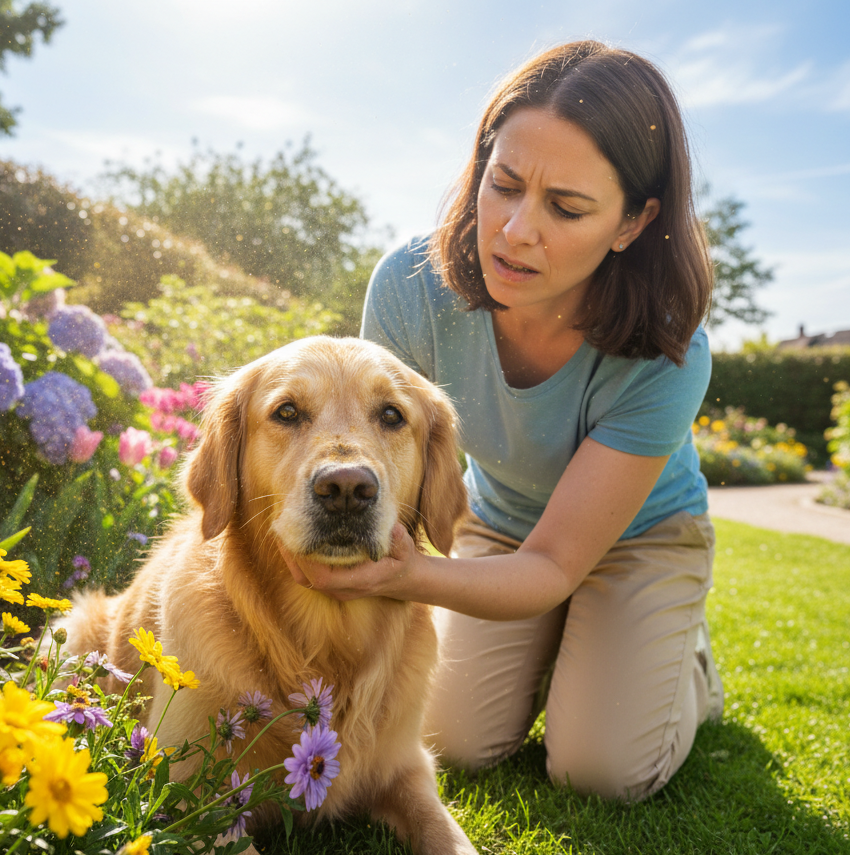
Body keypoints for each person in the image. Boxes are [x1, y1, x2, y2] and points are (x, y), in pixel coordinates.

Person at [282, 40, 721, 802]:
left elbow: (555, 567)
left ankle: (687, 664)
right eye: (505, 184)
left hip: (639, 541)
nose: (516, 230)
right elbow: (375, 459)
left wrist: (413, 576)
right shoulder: (411, 287)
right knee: (453, 741)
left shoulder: (668, 353)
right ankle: (570, 649)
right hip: (502, 523)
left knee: (599, 771)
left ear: (632, 222)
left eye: (566, 207)